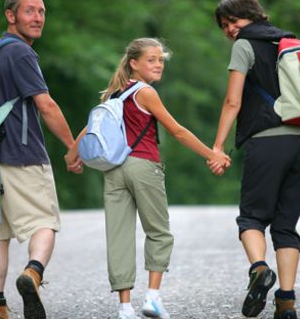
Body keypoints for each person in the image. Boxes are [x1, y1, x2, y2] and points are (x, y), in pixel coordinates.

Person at [65, 38, 231, 319]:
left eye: (160, 60)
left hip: (114, 171)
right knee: (158, 232)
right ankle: (152, 298)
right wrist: (211, 154)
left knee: (118, 236)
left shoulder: (114, 93)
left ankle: (124, 308)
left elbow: (90, 127)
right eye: (151, 60)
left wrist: (72, 155)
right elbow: (177, 131)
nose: (158, 65)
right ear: (134, 63)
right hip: (143, 166)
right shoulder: (146, 93)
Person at [0, 0, 83, 318]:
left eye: (42, 11)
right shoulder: (21, 52)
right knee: (45, 222)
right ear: (10, 15)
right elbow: (45, 105)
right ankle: (32, 273)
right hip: (22, 155)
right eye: (29, 10)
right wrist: (73, 146)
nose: (38, 17)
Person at [208, 0, 300, 318]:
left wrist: (218, 146)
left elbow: (232, 101)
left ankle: (259, 270)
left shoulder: (245, 44)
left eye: (233, 20)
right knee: (286, 225)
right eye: (223, 25)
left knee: (252, 218)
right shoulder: (289, 42)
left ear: (252, 16)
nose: (229, 28)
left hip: (267, 140)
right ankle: (286, 302)